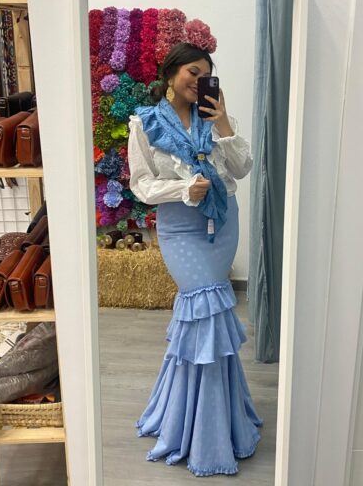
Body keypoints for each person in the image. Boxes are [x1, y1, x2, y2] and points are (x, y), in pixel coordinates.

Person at [128, 40, 263, 477]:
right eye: (192, 72)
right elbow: (141, 185)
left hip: (222, 225)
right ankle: (196, 425)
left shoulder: (215, 118)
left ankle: (217, 417)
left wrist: (222, 121)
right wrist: (182, 188)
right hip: (180, 228)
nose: (198, 81)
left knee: (211, 317)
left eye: (206, 74)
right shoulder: (145, 123)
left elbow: (241, 168)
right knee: (202, 309)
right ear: (171, 73)